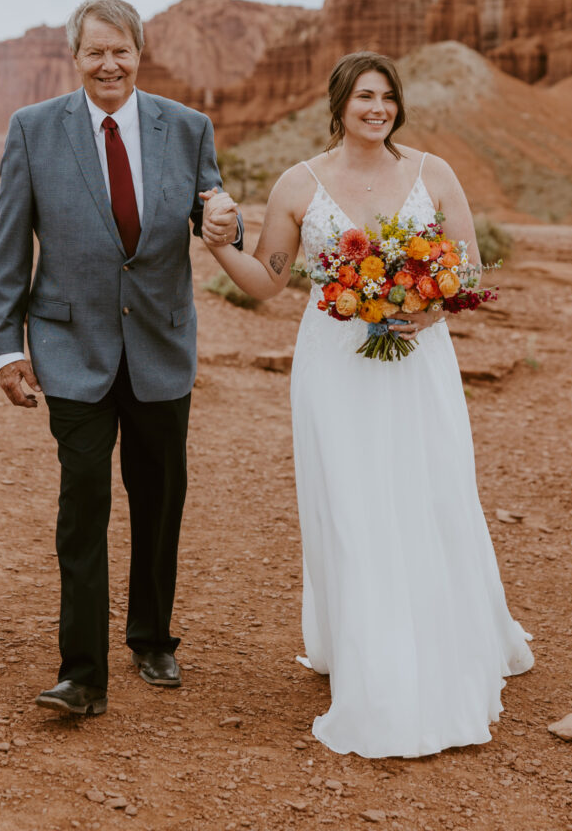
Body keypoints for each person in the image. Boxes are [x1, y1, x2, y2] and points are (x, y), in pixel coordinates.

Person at [200, 51, 533, 757]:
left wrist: (426, 311)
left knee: (429, 490)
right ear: (338, 104)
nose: (375, 108)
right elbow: (265, 280)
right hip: (334, 365)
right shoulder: (299, 184)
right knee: (351, 501)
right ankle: (368, 651)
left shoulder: (430, 172)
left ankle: (444, 634)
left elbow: (465, 267)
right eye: (362, 97)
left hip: (417, 360)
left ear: (397, 105)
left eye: (386, 97)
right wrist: (215, 247)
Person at [0, 0, 241, 716]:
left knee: (159, 501)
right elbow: (9, 247)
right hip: (70, 346)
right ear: (75, 57)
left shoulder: (186, 128)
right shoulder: (33, 130)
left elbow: (213, 208)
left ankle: (152, 637)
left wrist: (227, 214)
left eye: (119, 50)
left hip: (160, 344)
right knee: (83, 504)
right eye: (93, 51)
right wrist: (6, 348)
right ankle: (81, 672)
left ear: (138, 54)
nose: (107, 63)